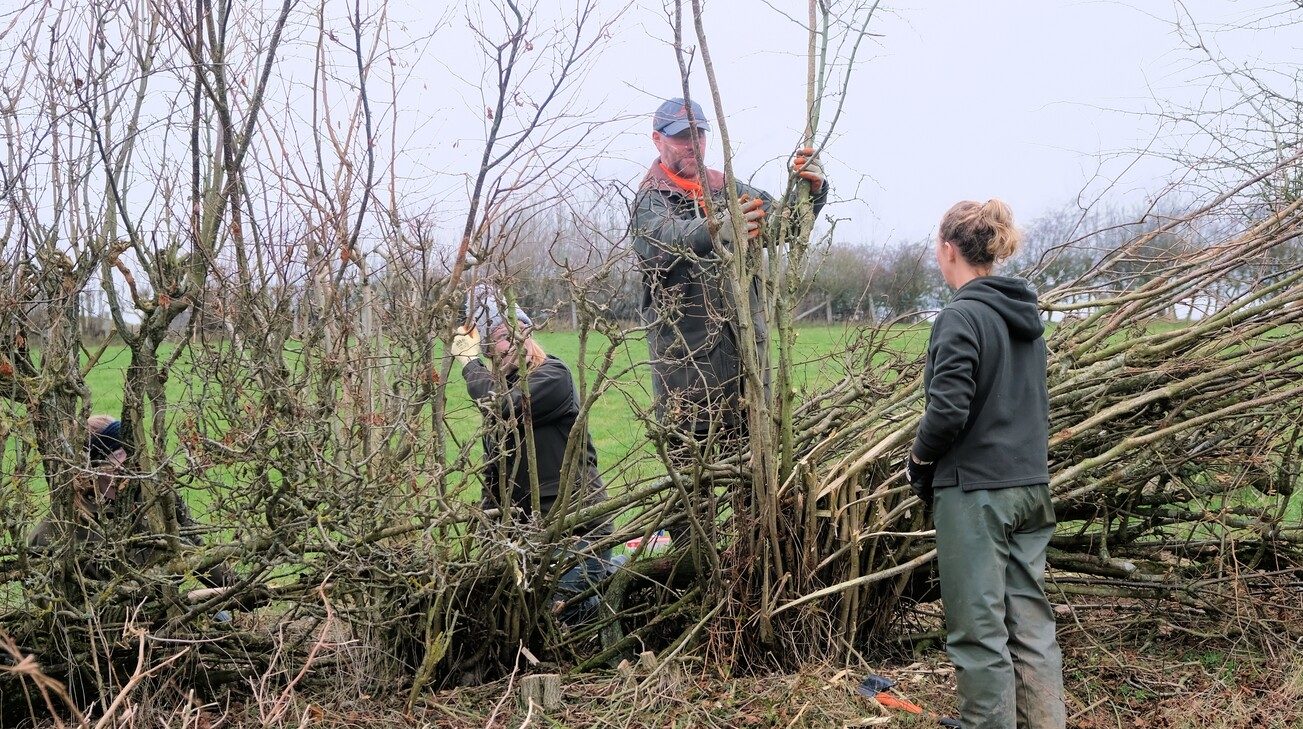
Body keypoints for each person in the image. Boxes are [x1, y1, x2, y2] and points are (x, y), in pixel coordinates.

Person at [630, 97, 828, 537]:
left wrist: (810, 190)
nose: (693, 145)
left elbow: (787, 227)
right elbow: (660, 244)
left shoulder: (727, 187)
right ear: (658, 140)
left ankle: (753, 573)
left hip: (746, 367)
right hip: (687, 374)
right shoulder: (651, 200)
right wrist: (721, 226)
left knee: (755, 482)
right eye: (682, 137)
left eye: (699, 134)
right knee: (692, 492)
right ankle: (696, 575)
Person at [906, 200, 1065, 728]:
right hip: (1030, 488)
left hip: (977, 494)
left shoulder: (960, 315)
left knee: (979, 631)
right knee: (1030, 625)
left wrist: (920, 457)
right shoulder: (1025, 318)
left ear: (949, 249)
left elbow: (947, 408)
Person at [451, 285, 611, 623]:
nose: (511, 343)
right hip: (530, 541)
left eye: (516, 331)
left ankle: (612, 581)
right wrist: (488, 537)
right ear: (489, 350)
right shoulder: (500, 393)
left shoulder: (554, 377)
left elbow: (501, 407)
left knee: (558, 619)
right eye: (499, 337)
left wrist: (468, 366)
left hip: (579, 534)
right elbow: (495, 480)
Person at [29, 415, 239, 601]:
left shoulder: (157, 498)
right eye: (119, 465)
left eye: (135, 460)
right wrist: (187, 599)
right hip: (112, 633)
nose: (132, 473)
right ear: (90, 469)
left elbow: (196, 553)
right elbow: (51, 609)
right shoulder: (54, 532)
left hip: (172, 617)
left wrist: (239, 591)